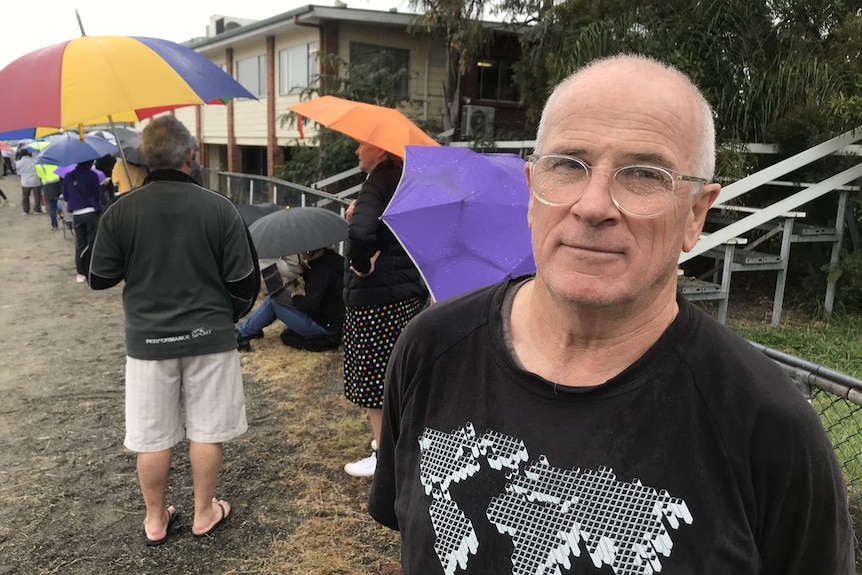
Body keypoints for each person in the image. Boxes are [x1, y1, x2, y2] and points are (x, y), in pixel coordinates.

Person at [368, 55, 854, 574]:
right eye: (568, 165)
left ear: (696, 214)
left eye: (644, 174)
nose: (593, 205)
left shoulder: (768, 427)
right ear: (532, 191)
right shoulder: (430, 350)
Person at [89, 115, 260, 546]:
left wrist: (116, 214)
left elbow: (98, 277)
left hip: (148, 342)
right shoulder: (219, 207)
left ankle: (155, 520)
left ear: (145, 157)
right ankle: (204, 512)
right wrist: (228, 318)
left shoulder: (120, 211)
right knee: (206, 430)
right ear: (191, 156)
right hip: (210, 337)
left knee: (152, 436)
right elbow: (244, 282)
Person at [342, 142, 427, 478]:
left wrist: (360, 264)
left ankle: (383, 455)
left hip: (375, 298)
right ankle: (395, 444)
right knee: (396, 371)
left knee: (374, 379)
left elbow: (362, 233)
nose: (356, 152)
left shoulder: (378, 181)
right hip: (404, 292)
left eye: (361, 145)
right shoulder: (405, 178)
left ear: (380, 149)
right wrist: (360, 210)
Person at [236, 247, 345, 351]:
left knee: (273, 301)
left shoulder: (320, 272)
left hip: (322, 327)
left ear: (310, 252)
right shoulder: (333, 259)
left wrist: (296, 298)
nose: (301, 254)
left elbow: (310, 304)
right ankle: (253, 328)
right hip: (334, 323)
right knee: (277, 299)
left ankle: (242, 335)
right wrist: (306, 272)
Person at [62, 160, 104, 283]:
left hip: (76, 214)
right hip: (91, 212)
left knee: (80, 243)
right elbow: (97, 195)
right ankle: (92, 268)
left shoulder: (69, 176)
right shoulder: (92, 175)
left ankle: (80, 272)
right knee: (93, 242)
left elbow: (65, 196)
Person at [15, 148, 42, 215]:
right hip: (36, 180)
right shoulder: (34, 160)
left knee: (25, 196)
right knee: (37, 196)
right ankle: (37, 209)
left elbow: (18, 173)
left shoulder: (18, 163)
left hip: (25, 181)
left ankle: (26, 210)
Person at [35, 162, 61, 231]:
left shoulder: (39, 164)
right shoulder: (54, 159)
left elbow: (40, 175)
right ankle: (65, 219)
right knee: (62, 201)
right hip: (58, 182)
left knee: (52, 206)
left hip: (47, 184)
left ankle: (54, 225)